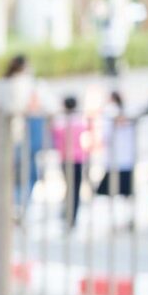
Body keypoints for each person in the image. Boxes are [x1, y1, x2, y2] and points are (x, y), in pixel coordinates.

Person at [4, 54, 46, 218]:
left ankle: (15, 206)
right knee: (28, 174)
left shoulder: (7, 83)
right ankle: (20, 206)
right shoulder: (28, 83)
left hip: (11, 135)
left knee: (15, 173)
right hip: (25, 134)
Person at [52, 95, 90, 228]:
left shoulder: (60, 123)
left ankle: (68, 213)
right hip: (78, 159)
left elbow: (56, 141)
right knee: (76, 188)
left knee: (69, 187)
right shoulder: (80, 122)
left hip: (65, 159)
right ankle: (72, 216)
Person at [95, 91, 136, 204]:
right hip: (116, 159)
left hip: (122, 158)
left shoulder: (118, 111)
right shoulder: (113, 112)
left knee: (121, 191)